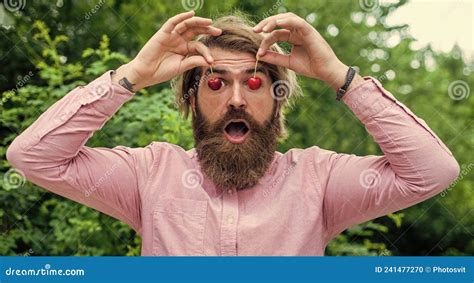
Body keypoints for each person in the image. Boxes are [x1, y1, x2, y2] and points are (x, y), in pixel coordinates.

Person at [6, 11, 459, 256]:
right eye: (217, 83)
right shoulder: (149, 175)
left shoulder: (318, 181)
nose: (237, 100)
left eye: (256, 82)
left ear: (278, 99)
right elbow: (33, 158)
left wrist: (342, 76)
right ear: (192, 98)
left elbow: (433, 172)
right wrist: (131, 76)